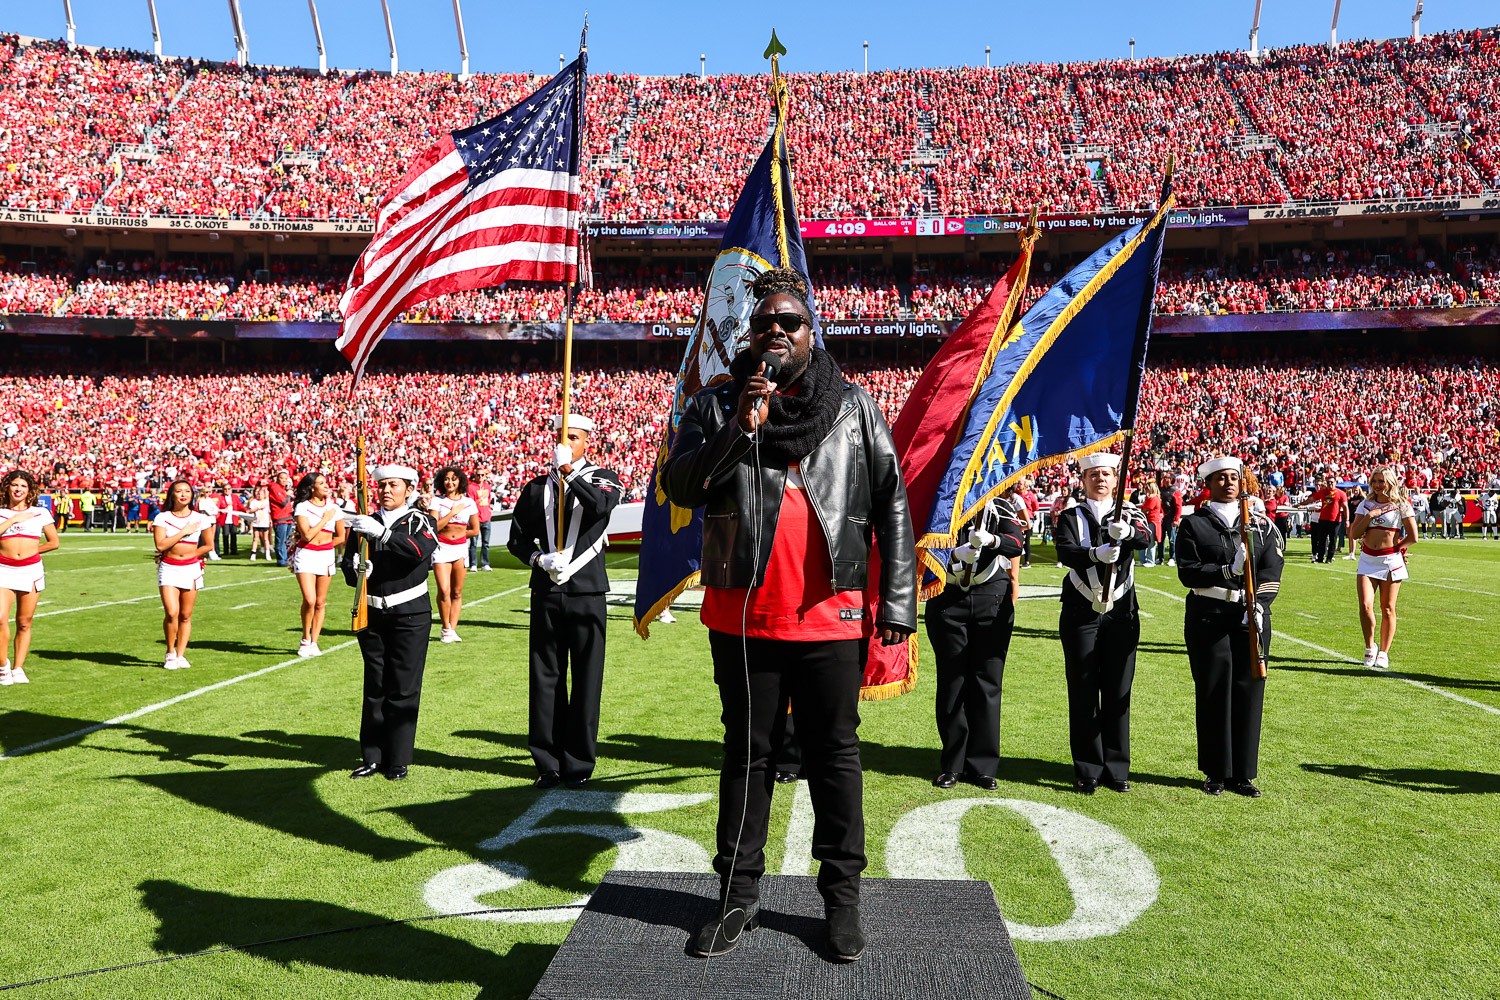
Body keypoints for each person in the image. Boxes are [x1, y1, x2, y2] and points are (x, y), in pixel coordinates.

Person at [660, 267, 917, 963]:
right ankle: (738, 897)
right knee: (748, 756)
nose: (777, 330)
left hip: (830, 616)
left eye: (790, 322)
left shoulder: (856, 406)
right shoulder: (717, 405)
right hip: (742, 616)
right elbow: (677, 484)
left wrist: (897, 603)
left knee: (835, 757)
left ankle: (841, 901)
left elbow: (893, 501)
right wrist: (738, 427)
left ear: (812, 333)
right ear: (750, 334)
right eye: (765, 322)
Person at [507, 414, 622, 788]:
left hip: (587, 592)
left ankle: (578, 764)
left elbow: (600, 507)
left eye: (573, 437)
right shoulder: (535, 488)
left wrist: (569, 471)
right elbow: (516, 540)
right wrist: (538, 559)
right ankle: (547, 762)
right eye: (560, 437)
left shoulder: (604, 477)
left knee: (587, 678)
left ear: (587, 441)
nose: (565, 442)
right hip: (546, 592)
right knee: (545, 679)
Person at [1176, 456, 1285, 798]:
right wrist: (1227, 571)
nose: (1228, 484)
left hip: (1249, 616)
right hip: (1208, 614)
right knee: (1213, 690)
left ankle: (1244, 773)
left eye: (1233, 478)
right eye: (1220, 479)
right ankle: (1215, 771)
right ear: (1208, 484)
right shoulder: (1193, 524)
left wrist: (1259, 606)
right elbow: (1188, 572)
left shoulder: (1262, 525)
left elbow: (1272, 572)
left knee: (1249, 690)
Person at [1053, 453, 1153, 794]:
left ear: (1115, 478)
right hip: (1081, 610)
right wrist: (1094, 554)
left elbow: (1147, 538)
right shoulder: (1071, 516)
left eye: (1107, 474)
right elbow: (1065, 551)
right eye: (1093, 474)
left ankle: (1117, 766)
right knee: (1082, 690)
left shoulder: (1130, 513)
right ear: (1083, 480)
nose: (1100, 480)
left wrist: (1127, 532)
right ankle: (1087, 768)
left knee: (1117, 689)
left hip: (1121, 611)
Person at [341, 464, 439, 781]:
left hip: (409, 613)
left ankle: (398, 758)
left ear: (409, 489)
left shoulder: (420, 520)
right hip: (371, 613)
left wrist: (381, 533)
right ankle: (372, 756)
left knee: (403, 687)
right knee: (375, 687)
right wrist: (356, 569)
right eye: (381, 485)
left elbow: (417, 551)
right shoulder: (362, 524)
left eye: (393, 485)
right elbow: (347, 566)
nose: (385, 490)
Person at [926, 492, 1028, 790]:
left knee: (987, 681)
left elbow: (1016, 543)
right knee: (952, 680)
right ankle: (953, 763)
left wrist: (993, 541)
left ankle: (983, 765)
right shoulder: (942, 501)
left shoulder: (999, 506)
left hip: (991, 596)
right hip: (947, 597)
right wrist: (955, 554)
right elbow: (921, 542)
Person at [1351, 468, 1418, 669]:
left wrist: (1397, 548)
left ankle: (1384, 653)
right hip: (1367, 560)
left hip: (1390, 560)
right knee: (1365, 605)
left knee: (1388, 608)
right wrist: (1370, 515)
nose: (1378, 485)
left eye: (1382, 481)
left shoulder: (1401, 505)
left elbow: (1413, 537)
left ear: (1390, 482)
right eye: (1375, 481)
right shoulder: (1365, 504)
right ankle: (1370, 647)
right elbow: (1354, 533)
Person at [0, 471, 59, 686]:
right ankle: (3, 665)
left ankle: (18, 668)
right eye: (14, 484)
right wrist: (14, 518)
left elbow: (54, 542)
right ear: (7, 488)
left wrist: (32, 552)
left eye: (23, 486)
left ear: (29, 490)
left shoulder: (40, 512)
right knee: (0, 619)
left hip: (30, 570)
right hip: (2, 570)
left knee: (24, 622)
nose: (18, 489)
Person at [151, 480, 216, 670]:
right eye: (179, 491)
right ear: (172, 495)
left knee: (186, 615)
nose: (183, 494)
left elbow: (208, 545)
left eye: (187, 491)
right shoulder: (162, 517)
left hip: (191, 568)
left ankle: (181, 655)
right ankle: (170, 653)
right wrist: (183, 532)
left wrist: (190, 555)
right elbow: (161, 545)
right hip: (169, 567)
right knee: (172, 612)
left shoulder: (200, 518)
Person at [291, 472, 347, 657]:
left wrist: (326, 546)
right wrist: (325, 518)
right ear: (312, 488)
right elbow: (306, 535)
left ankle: (314, 641)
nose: (326, 486)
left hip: (325, 556)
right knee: (310, 599)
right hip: (306, 555)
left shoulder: (334, 508)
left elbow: (341, 536)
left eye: (326, 483)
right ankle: (305, 638)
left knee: (320, 602)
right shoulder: (302, 507)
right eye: (321, 483)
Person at [427, 466, 480, 643]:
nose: (450, 482)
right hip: (441, 547)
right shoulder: (436, 501)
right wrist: (452, 513)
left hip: (460, 549)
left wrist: (459, 535)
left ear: (460, 481)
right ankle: (445, 627)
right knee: (444, 590)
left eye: (453, 479)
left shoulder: (469, 502)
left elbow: (475, 530)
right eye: (446, 479)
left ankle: (452, 629)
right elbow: (433, 527)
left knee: (457, 592)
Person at [1299, 474, 1347, 563]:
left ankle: (1329, 558)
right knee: (1321, 540)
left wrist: (1347, 519)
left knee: (1333, 540)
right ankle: (1320, 558)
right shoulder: (1322, 492)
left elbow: (1345, 507)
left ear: (1335, 483)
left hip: (1335, 520)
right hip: (1323, 519)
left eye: (1332, 482)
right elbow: (1311, 499)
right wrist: (1301, 504)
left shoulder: (1341, 493)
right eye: (1328, 482)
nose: (1330, 484)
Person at [468, 470, 494, 571]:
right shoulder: (471, 487)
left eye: (482, 475)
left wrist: (489, 510)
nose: (480, 477)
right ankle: (473, 564)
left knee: (486, 543)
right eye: (478, 475)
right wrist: (479, 500)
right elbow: (470, 502)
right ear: (475, 476)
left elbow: (489, 499)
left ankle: (485, 564)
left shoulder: (488, 487)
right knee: (473, 543)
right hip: (475, 518)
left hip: (486, 517)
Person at [269, 470, 294, 566]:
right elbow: (282, 502)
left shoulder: (283, 489)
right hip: (280, 517)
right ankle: (281, 560)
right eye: (282, 478)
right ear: (277, 479)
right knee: (281, 540)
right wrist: (288, 495)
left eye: (285, 479)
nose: (284, 480)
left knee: (287, 541)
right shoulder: (275, 487)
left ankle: (286, 558)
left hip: (288, 517)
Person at [248, 485, 273, 560]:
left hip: (264, 522)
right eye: (258, 494)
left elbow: (269, 512)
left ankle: (267, 554)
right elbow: (250, 511)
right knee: (255, 538)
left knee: (266, 538)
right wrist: (258, 508)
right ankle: (253, 554)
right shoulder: (254, 502)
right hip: (256, 522)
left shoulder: (267, 502)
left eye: (261, 494)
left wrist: (270, 521)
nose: (259, 495)